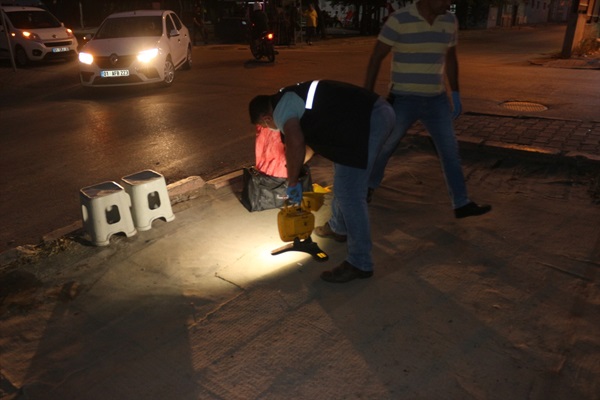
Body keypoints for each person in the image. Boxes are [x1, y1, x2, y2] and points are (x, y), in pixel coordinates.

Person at [249, 80, 396, 283]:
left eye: (266, 126)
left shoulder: (282, 109)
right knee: (344, 180)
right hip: (371, 116)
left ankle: (360, 263)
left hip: (367, 121)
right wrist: (294, 167)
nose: (271, 130)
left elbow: (296, 141)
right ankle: (338, 228)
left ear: (266, 118)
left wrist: (292, 182)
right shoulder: (288, 98)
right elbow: (305, 147)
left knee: (350, 194)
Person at [364, 0, 491, 219]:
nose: (449, 3)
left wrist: (456, 93)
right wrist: (365, 97)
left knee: (450, 150)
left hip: (436, 100)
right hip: (403, 99)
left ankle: (461, 203)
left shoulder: (450, 21)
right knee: (385, 147)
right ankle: (367, 187)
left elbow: (451, 58)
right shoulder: (399, 20)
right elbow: (376, 57)